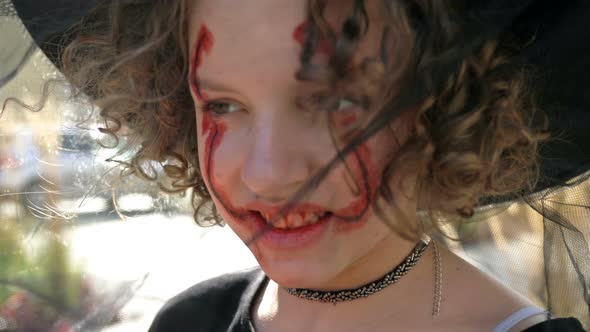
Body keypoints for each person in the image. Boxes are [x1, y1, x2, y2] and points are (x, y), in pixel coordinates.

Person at [8, 0, 590, 331]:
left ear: (451, 107)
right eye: (224, 106)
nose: (266, 173)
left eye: (336, 102)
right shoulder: (193, 323)